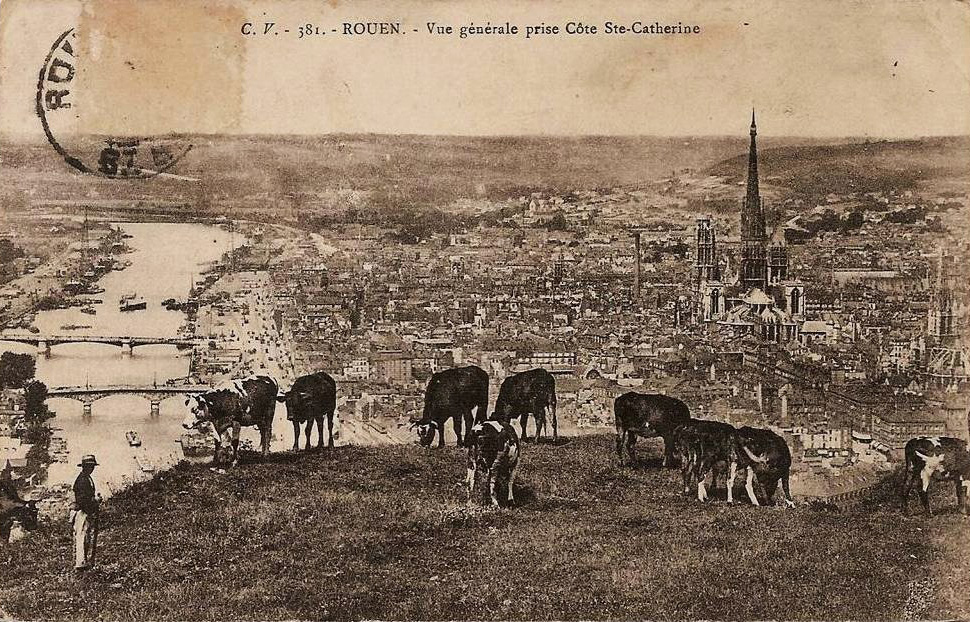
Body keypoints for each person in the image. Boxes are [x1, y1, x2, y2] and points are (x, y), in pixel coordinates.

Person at [71, 454, 101, 571]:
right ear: (84, 467)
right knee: (81, 536)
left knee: (85, 536)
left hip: (85, 511)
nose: (92, 468)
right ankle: (80, 564)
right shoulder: (83, 480)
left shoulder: (86, 477)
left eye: (92, 466)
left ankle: (83, 561)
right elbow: (82, 500)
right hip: (81, 511)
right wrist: (95, 501)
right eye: (90, 466)